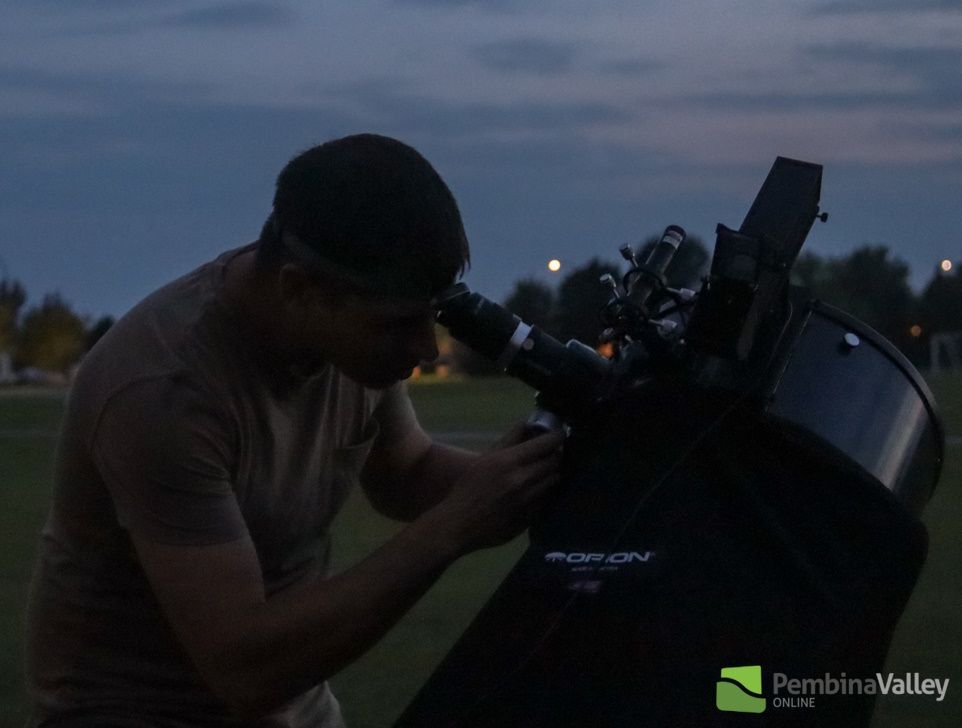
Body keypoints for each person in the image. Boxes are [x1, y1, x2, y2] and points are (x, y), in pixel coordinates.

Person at [25, 133, 563, 727]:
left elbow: (405, 473)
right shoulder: (163, 391)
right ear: (298, 289)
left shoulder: (346, 327)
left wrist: (556, 471)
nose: (424, 351)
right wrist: (453, 528)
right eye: (398, 326)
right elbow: (244, 669)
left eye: (430, 318)